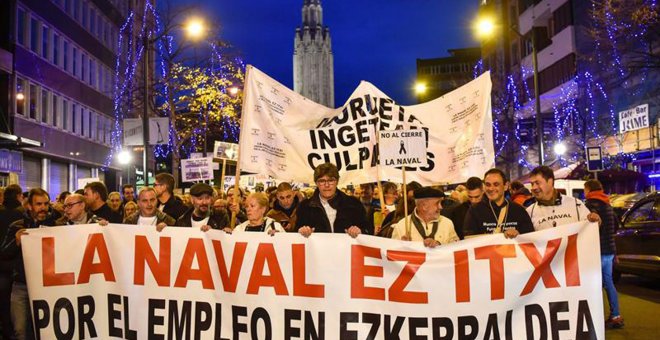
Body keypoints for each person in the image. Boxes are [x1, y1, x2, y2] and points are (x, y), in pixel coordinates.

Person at [1, 188, 57, 340]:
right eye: (39, 204)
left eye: (46, 204)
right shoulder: (17, 226)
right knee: (20, 331)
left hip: (48, 287)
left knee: (46, 331)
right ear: (29, 206)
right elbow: (3, 254)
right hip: (21, 286)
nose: (43, 208)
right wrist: (16, 242)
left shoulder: (57, 225)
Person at [583, 179, 624, 329]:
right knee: (608, 282)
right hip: (609, 251)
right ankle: (615, 315)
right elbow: (615, 226)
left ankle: (595, 316)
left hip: (597, 250)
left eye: (585, 189)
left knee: (594, 284)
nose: (584, 192)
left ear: (588, 189)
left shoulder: (589, 205)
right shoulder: (607, 204)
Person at [296, 162, 369, 237]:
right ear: (316, 183)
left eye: (331, 180)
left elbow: (369, 230)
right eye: (322, 181)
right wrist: (301, 231)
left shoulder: (354, 204)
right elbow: (295, 234)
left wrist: (360, 231)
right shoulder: (304, 207)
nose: (327, 185)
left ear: (337, 181)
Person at [463, 169, 534, 239]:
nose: (491, 188)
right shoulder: (475, 211)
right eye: (488, 185)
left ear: (506, 186)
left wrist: (519, 235)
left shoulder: (519, 210)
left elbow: (530, 239)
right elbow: (469, 239)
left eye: (496, 184)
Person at [526, 166, 600, 230]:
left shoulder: (576, 204)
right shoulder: (529, 212)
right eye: (532, 184)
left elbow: (591, 228)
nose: (534, 187)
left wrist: (596, 221)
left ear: (550, 181)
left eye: (537, 183)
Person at [391, 187, 458, 247]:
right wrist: (403, 247)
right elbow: (392, 255)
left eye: (441, 203)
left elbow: (456, 249)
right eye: (437, 203)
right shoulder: (402, 226)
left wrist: (439, 245)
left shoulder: (447, 223)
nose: (440, 207)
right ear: (424, 206)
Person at [0, 184, 23, 340]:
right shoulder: (19, 217)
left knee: (3, 303)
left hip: (1, 266)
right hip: (13, 267)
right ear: (18, 196)